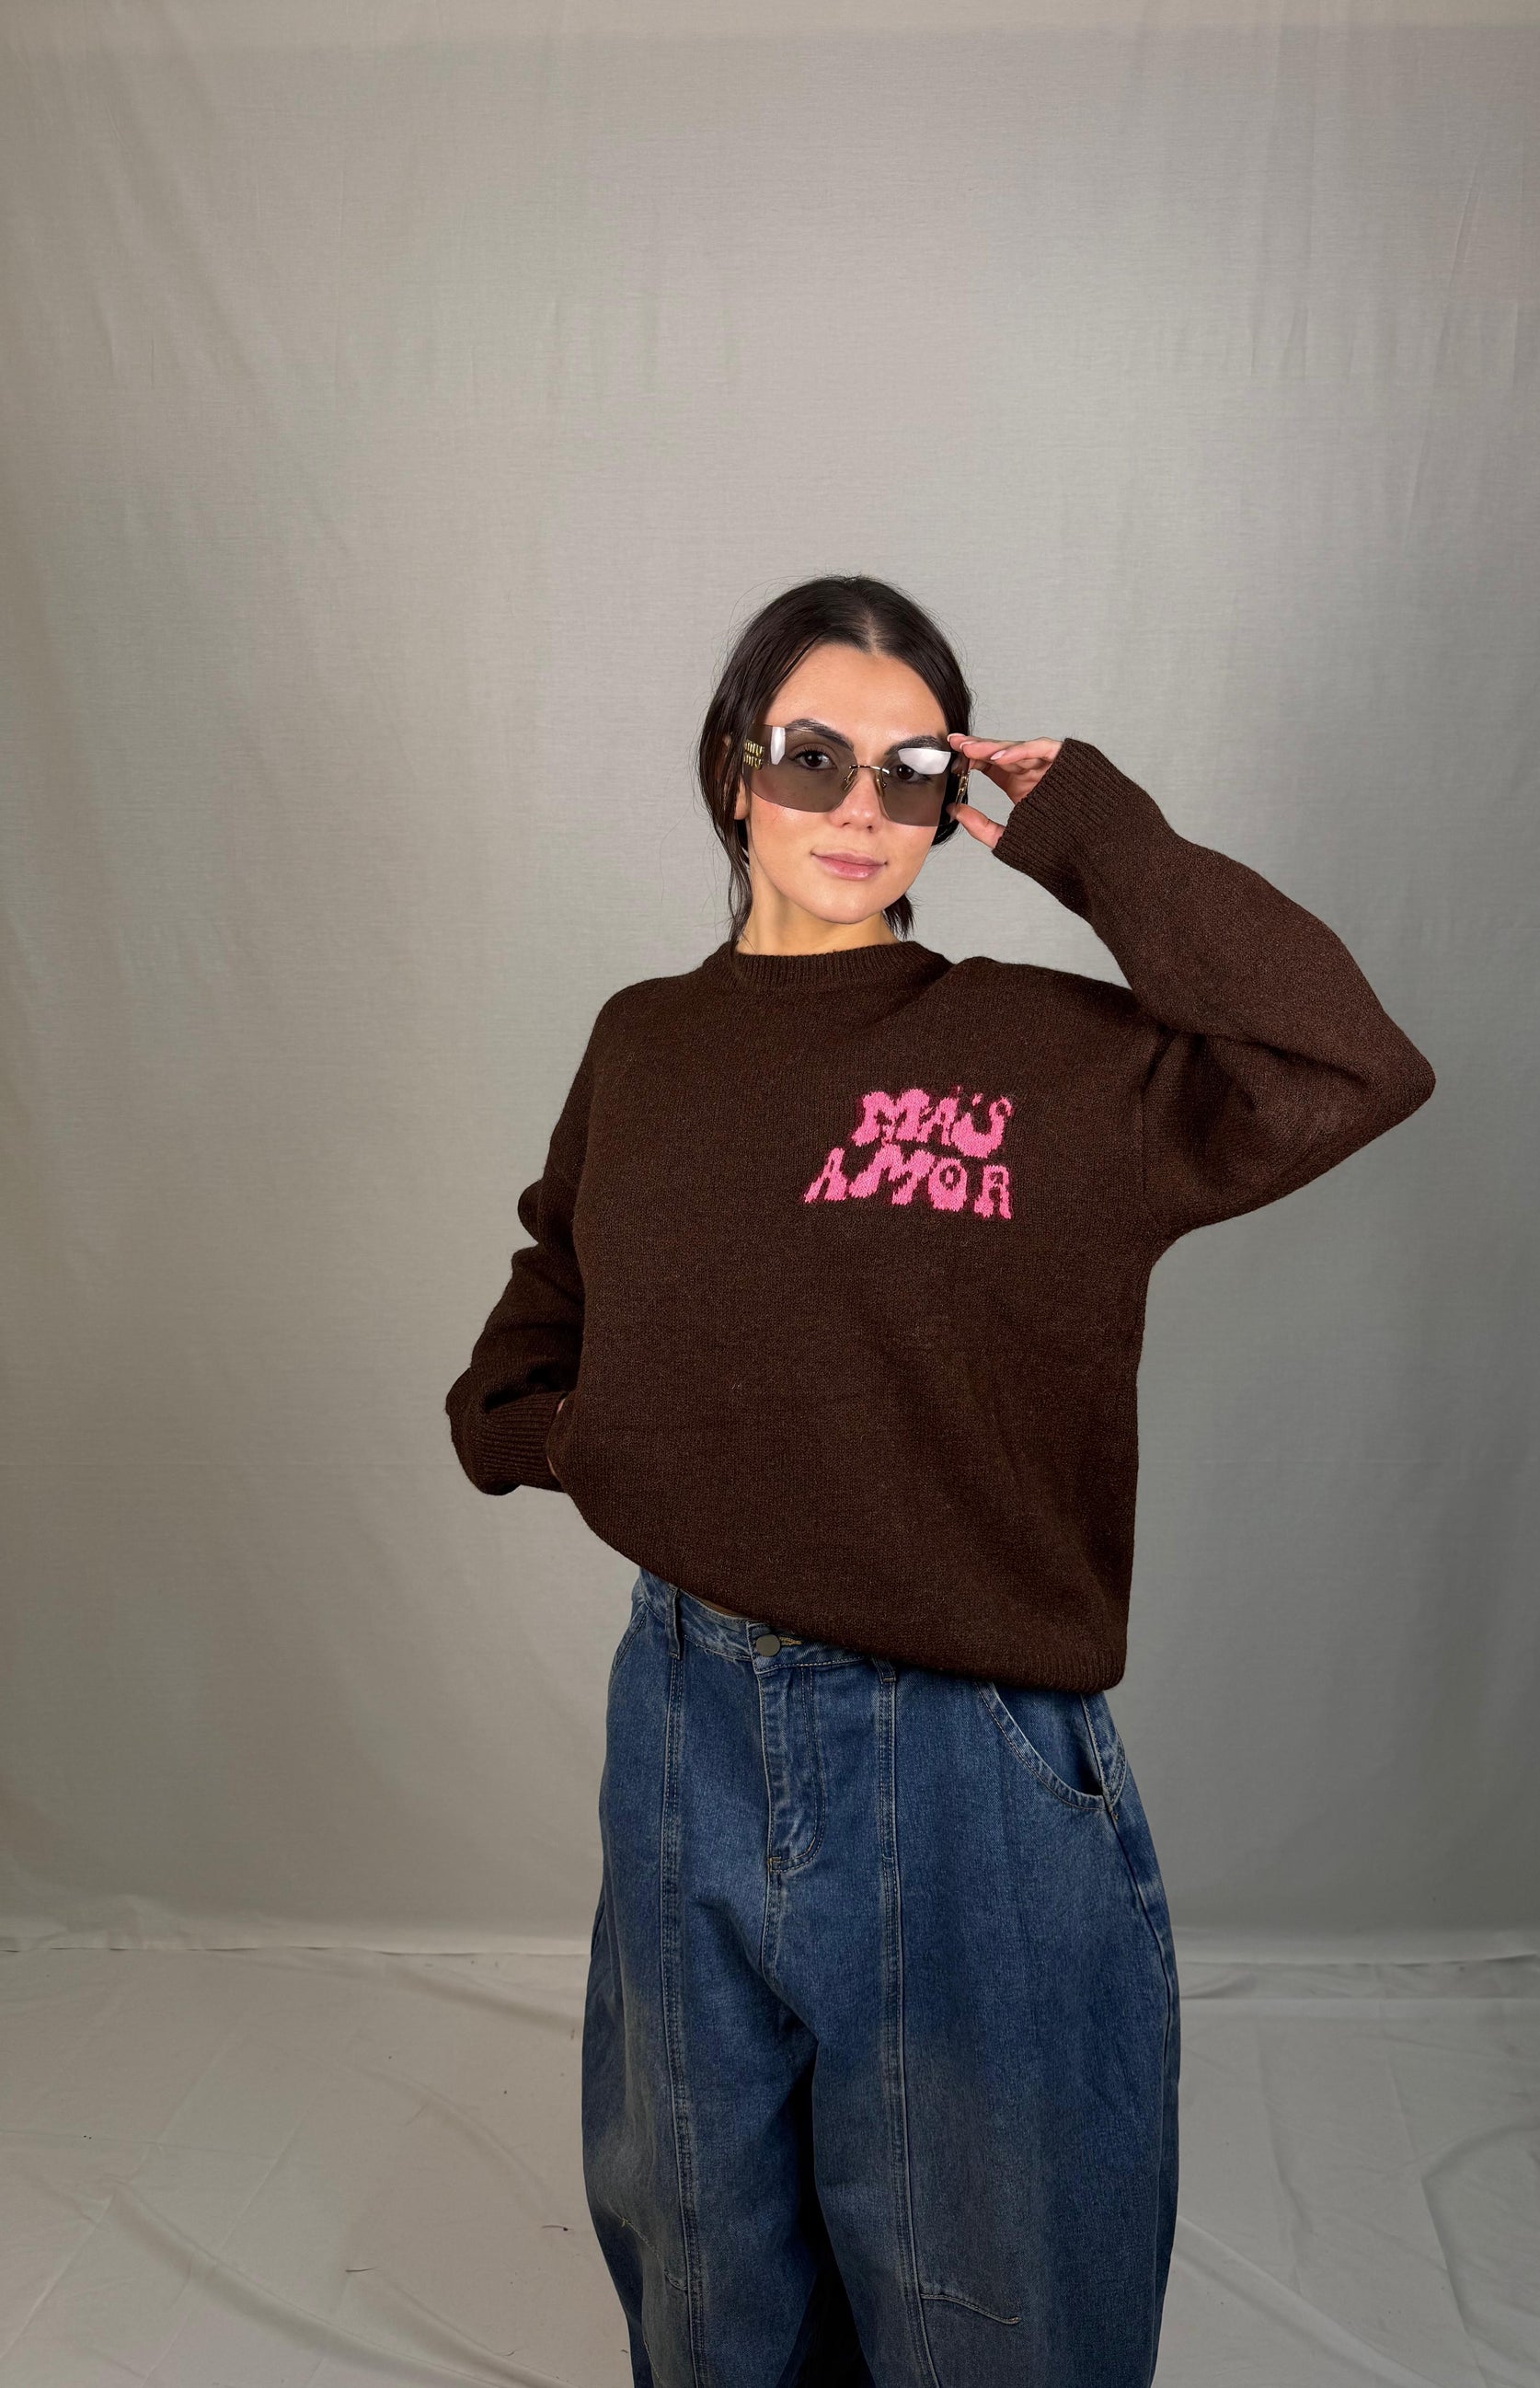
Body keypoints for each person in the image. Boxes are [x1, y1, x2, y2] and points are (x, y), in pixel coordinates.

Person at [445, 574, 1435, 2387]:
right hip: (681, 1723)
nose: (857, 805)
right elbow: (552, 1282)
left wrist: (1097, 837)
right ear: (732, 770)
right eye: (810, 755)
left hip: (961, 1766)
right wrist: (562, 1439)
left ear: (953, 797)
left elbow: (1344, 1063)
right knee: (708, 2288)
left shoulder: (1043, 1054)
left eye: (911, 770)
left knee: (992, 2310)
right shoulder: (644, 1040)